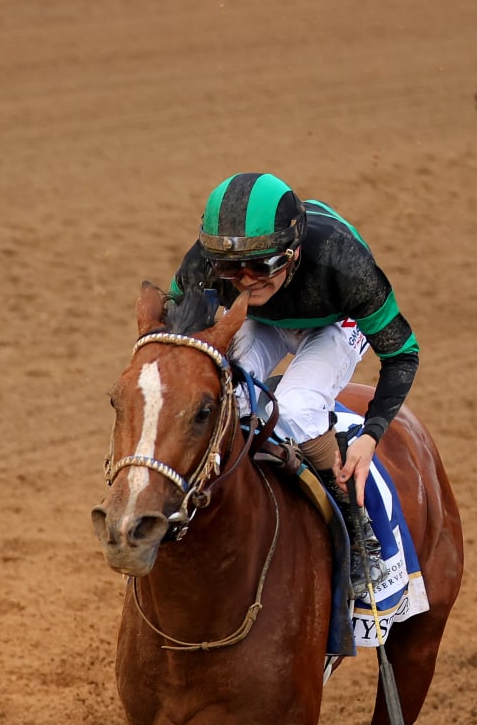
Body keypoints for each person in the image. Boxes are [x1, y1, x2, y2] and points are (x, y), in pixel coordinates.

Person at [168, 172, 421, 582]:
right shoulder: (204, 260)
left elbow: (402, 354)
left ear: (294, 251)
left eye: (262, 264)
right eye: (231, 268)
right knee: (229, 396)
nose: (247, 279)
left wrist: (370, 437)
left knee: (298, 404)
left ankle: (358, 535)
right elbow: (174, 336)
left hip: (336, 322)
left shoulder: (346, 264)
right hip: (261, 319)